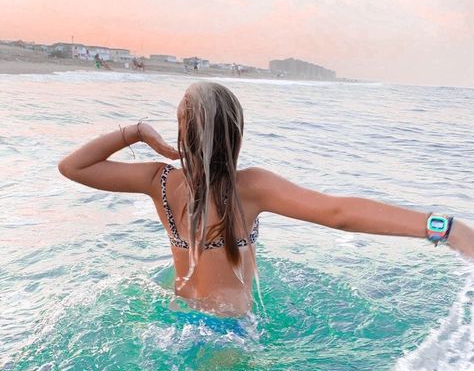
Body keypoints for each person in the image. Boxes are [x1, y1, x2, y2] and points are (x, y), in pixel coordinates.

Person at [58, 82, 474, 320]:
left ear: (182, 131)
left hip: (175, 314)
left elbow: (74, 167)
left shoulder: (159, 180)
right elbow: (338, 213)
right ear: (236, 133)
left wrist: (136, 131)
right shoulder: (251, 187)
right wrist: (444, 227)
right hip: (228, 330)